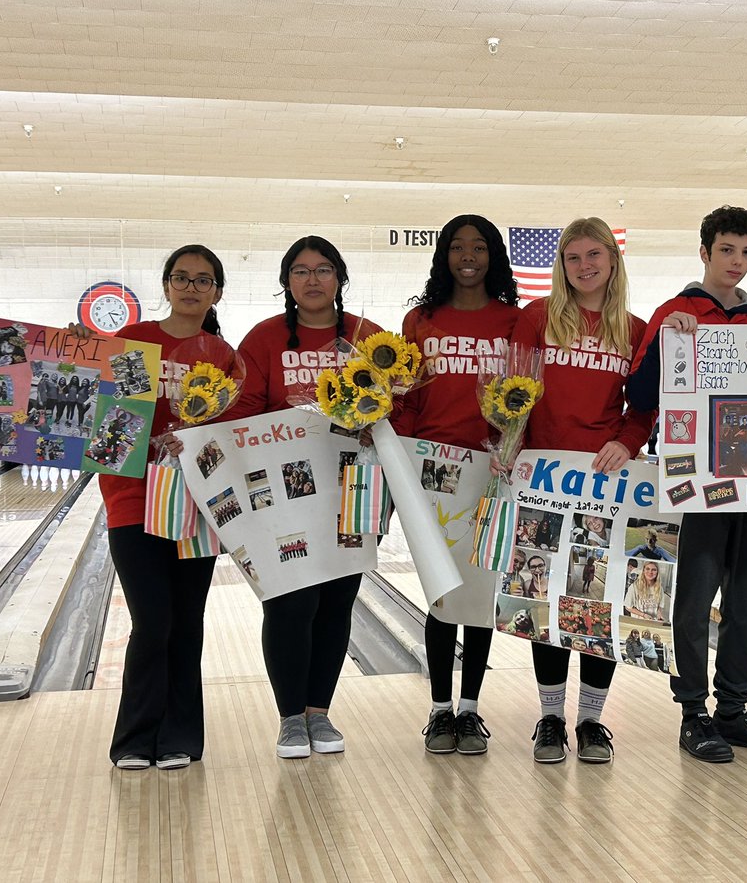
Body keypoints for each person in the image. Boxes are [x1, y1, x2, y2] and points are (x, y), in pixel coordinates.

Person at [626, 205, 747, 763]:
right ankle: (693, 713)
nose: (738, 263)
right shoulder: (674, 312)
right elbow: (642, 396)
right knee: (695, 601)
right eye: (727, 250)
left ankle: (734, 711)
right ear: (704, 252)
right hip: (696, 487)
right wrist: (666, 346)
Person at [217, 234, 380, 760]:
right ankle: (290, 717)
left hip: (350, 488)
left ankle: (319, 712)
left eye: (324, 269)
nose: (313, 279)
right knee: (290, 601)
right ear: (287, 282)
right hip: (282, 494)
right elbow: (239, 413)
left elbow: (395, 408)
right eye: (301, 270)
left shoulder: (367, 338)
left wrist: (374, 424)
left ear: (340, 278)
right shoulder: (264, 340)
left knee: (335, 604)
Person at [509, 216, 654, 764]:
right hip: (542, 479)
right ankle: (550, 717)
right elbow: (512, 391)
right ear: (561, 266)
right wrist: (510, 446)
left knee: (600, 604)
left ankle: (592, 721)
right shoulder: (536, 318)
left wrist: (629, 441)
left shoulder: (634, 329)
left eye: (596, 255)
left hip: (605, 483)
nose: (586, 265)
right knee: (544, 599)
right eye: (574, 257)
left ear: (613, 263)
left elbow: (642, 409)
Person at [390, 214, 520, 757]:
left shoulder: (515, 321)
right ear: (444, 255)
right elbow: (406, 398)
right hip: (431, 472)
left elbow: (527, 394)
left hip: (492, 471)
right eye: (458, 247)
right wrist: (401, 470)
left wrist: (509, 449)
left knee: (480, 595)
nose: (469, 255)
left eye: (480, 247)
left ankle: (470, 712)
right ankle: (439, 710)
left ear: (494, 256)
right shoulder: (420, 320)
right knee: (442, 596)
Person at [97, 244, 226, 771]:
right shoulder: (134, 342)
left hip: (195, 503)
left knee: (186, 622)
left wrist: (196, 443)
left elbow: (228, 440)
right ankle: (134, 737)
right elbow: (111, 428)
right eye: (181, 277)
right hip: (132, 499)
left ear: (216, 291)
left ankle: (180, 737)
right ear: (167, 285)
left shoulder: (223, 357)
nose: (191, 287)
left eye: (202, 280)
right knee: (152, 621)